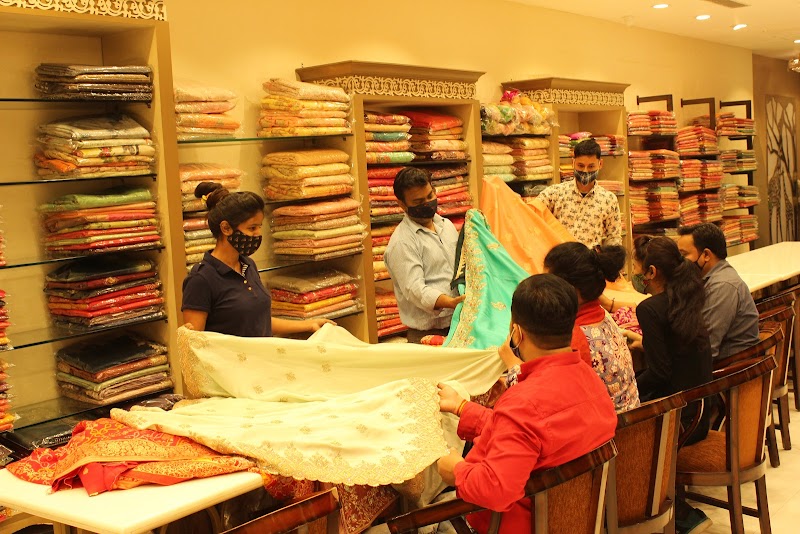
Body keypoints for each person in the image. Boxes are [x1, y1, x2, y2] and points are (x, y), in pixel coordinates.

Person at [435, 274, 617, 534]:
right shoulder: (590, 379)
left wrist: (456, 470)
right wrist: (462, 407)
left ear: (516, 332)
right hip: (578, 521)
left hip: (512, 525)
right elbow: (526, 434)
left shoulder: (523, 402)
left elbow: (495, 490)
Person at [636, 236, 715, 534]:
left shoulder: (650, 308)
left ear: (652, 271)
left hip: (680, 421)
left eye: (637, 268)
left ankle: (678, 514)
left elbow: (659, 372)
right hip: (702, 411)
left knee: (624, 434)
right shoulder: (688, 297)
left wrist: (629, 389)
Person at [182, 182, 332, 337]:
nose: (258, 234)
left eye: (259, 227)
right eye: (252, 228)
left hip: (262, 352)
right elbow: (195, 343)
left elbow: (259, 322)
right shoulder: (201, 279)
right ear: (226, 228)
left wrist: (308, 325)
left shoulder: (248, 265)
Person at [544, 242, 640, 411]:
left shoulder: (573, 340)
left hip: (609, 425)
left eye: (549, 284)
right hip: (631, 418)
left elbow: (553, 399)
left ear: (572, 289)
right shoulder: (603, 315)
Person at [384, 168, 464, 343]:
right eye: (418, 201)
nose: (427, 203)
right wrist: (450, 302)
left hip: (459, 324)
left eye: (430, 196)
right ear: (402, 204)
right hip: (427, 334)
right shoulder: (402, 242)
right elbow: (415, 289)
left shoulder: (447, 225)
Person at [677, 223, 759, 361]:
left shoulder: (722, 286)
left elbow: (705, 349)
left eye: (684, 255)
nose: (679, 261)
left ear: (706, 255)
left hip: (731, 368)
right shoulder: (707, 278)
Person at [536, 138, 622, 248]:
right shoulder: (554, 193)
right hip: (561, 257)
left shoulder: (609, 200)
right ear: (573, 163)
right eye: (580, 165)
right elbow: (532, 212)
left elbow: (614, 238)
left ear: (600, 164)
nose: (585, 171)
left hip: (591, 258)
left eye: (591, 166)